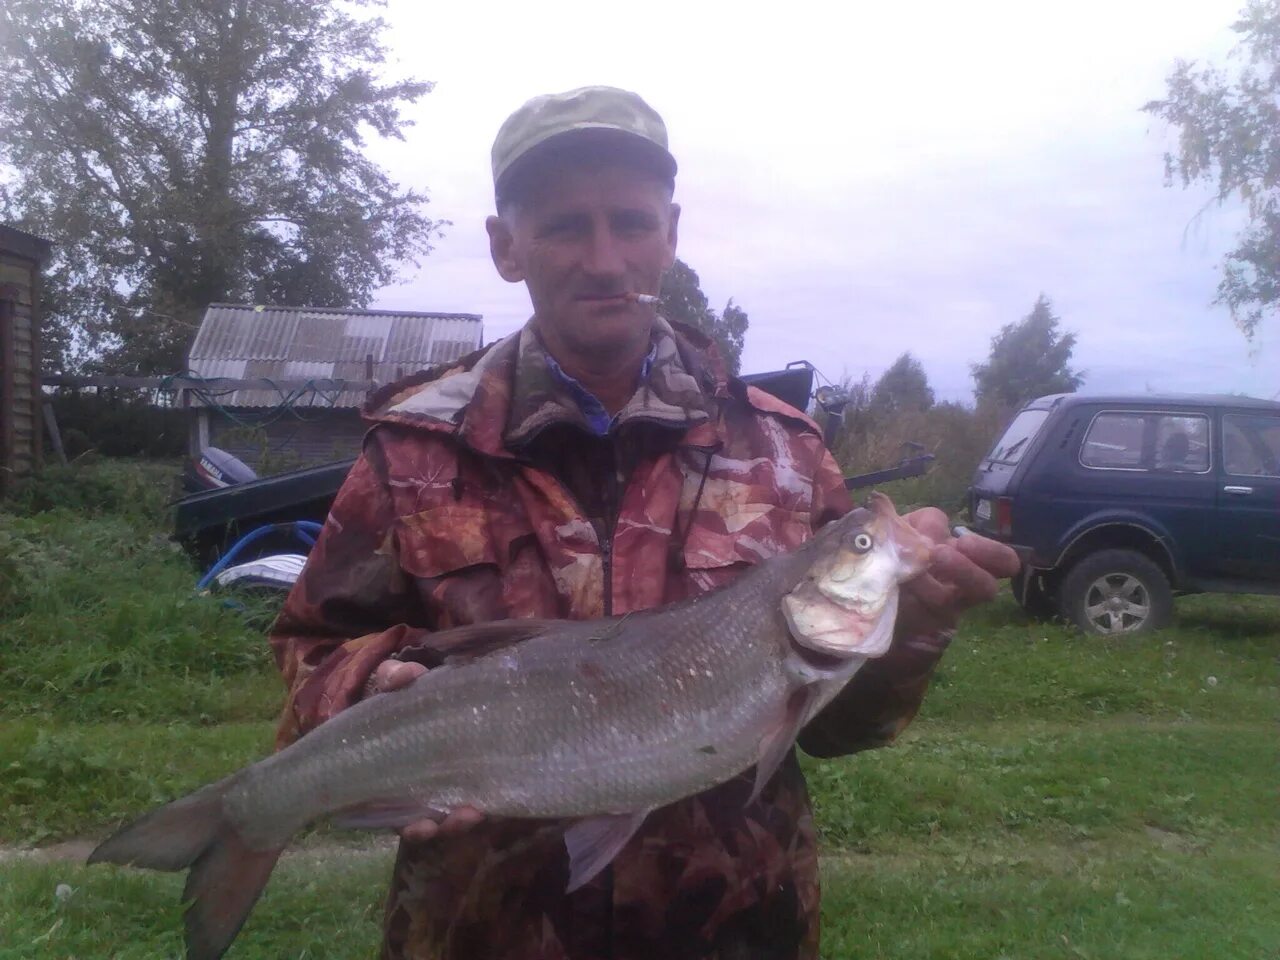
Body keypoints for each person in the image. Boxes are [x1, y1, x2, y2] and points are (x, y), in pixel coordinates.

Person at [269, 85, 1020, 960]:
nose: (603, 258)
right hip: (481, 932)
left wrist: (916, 624)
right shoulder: (416, 450)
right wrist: (372, 688)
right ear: (505, 246)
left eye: (630, 223)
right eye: (563, 226)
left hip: (735, 929)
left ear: (670, 232)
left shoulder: (782, 449)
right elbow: (308, 646)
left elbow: (838, 730)